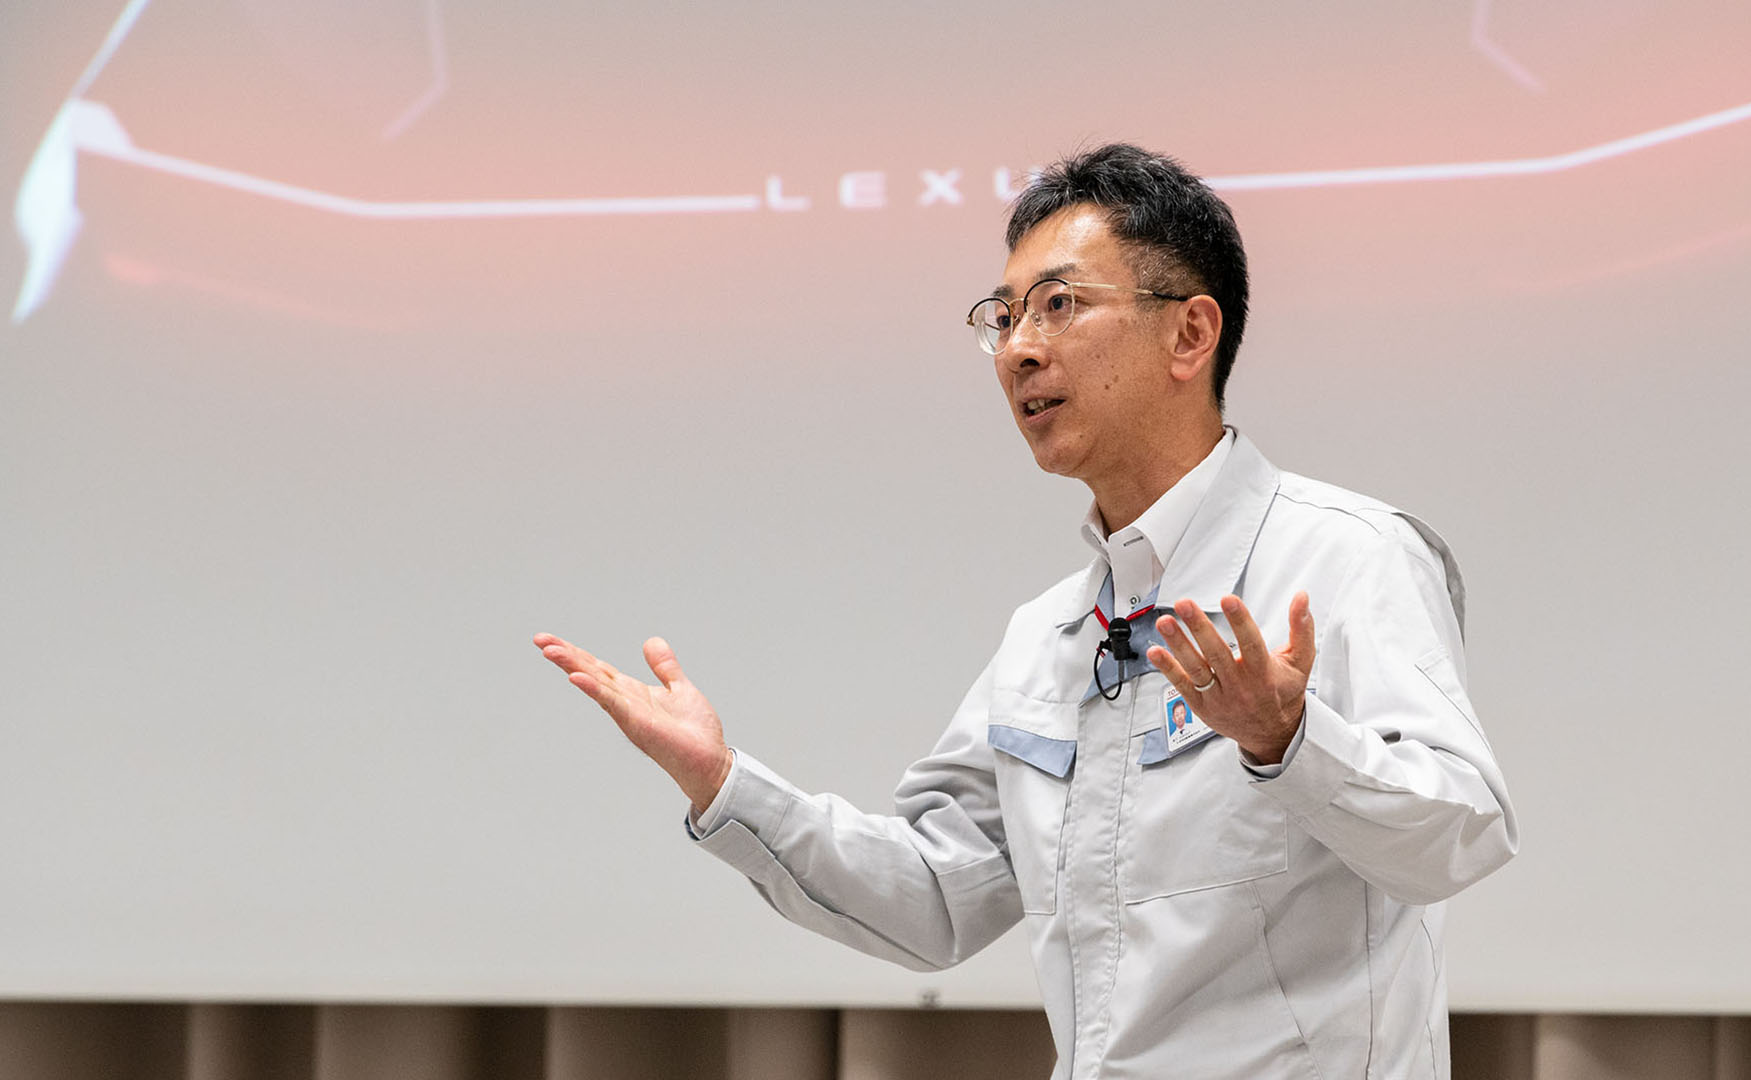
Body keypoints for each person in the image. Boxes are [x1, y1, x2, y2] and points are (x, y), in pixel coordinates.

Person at [535, 143, 1518, 1079]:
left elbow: (1462, 833)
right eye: (1002, 317)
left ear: (1190, 332)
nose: (1019, 350)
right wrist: (725, 786)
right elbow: (933, 901)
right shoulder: (1048, 640)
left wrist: (1290, 738)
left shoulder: (1347, 554)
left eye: (1058, 305)